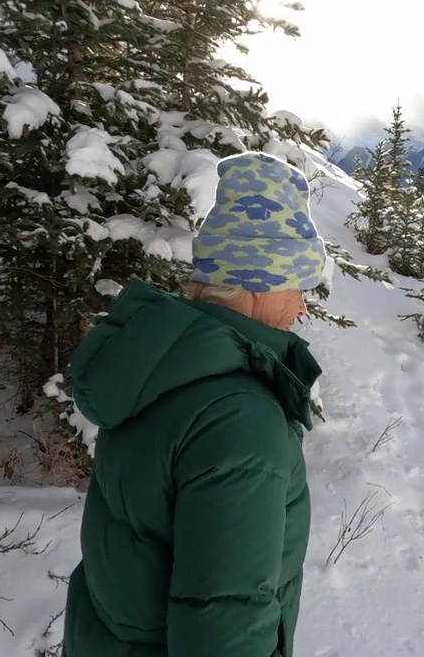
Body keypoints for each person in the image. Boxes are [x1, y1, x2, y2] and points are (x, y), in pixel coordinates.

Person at [61, 151, 326, 657]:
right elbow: (224, 624)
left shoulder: (161, 371)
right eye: (294, 285)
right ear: (254, 286)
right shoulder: (240, 418)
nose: (301, 305)